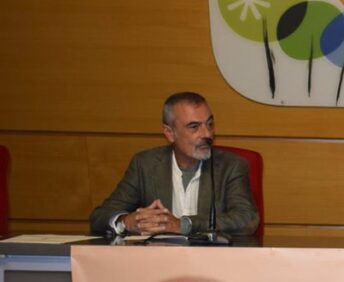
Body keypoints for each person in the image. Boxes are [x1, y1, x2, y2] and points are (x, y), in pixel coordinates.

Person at [88, 92, 259, 236]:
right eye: (194, 127)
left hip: (212, 263)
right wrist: (126, 222)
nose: (207, 134)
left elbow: (247, 219)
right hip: (157, 262)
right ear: (170, 133)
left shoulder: (230, 166)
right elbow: (100, 216)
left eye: (209, 124)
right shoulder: (145, 165)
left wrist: (184, 225)